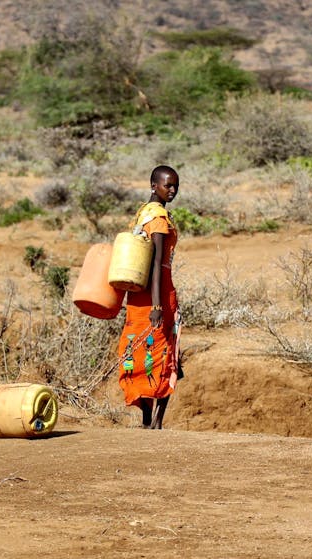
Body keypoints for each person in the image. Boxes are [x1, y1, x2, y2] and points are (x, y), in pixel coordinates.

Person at [117, 165, 182, 429]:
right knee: (166, 352)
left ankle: (148, 419)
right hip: (158, 294)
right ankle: (155, 421)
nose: (173, 190)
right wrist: (157, 305)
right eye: (168, 185)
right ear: (154, 185)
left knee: (139, 349)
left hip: (137, 295)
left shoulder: (142, 214)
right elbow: (156, 263)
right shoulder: (159, 219)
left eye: (176, 185)